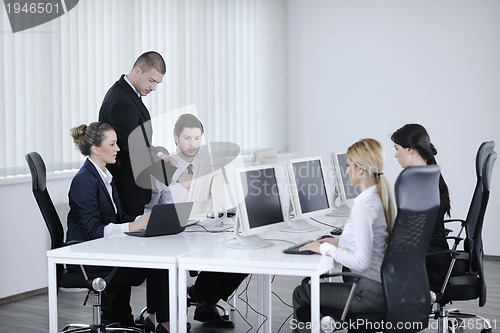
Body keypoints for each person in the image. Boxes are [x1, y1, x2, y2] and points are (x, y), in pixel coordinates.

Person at [145, 113, 248, 328]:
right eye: (187, 138)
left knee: (243, 255)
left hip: (200, 226)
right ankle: (201, 298)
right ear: (175, 138)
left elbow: (214, 199)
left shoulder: (206, 163)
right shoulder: (165, 164)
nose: (193, 144)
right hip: (171, 231)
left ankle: (205, 299)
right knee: (222, 252)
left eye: (197, 138)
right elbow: (156, 203)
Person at [67, 122, 171, 333]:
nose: (118, 149)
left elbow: (118, 217)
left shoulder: (105, 176)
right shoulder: (84, 181)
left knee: (162, 257)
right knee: (159, 263)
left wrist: (144, 219)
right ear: (96, 148)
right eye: (112, 144)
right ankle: (165, 323)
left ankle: (159, 320)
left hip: (103, 249)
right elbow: (92, 232)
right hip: (87, 257)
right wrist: (132, 225)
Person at [292, 138, 395, 332]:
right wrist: (337, 241)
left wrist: (325, 248)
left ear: (362, 170)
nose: (346, 171)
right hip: (383, 287)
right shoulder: (378, 196)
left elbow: (361, 262)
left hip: (369, 294)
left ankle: (325, 325)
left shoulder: (363, 207)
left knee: (302, 292)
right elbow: (371, 242)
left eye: (349, 166)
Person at [99, 51, 186, 217]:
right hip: (127, 187)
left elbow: (140, 142)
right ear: (138, 71)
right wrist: (179, 176)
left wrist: (159, 154)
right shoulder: (121, 102)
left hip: (134, 183)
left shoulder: (128, 95)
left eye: (157, 83)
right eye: (151, 81)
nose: (153, 88)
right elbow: (136, 151)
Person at [391, 123, 452, 289]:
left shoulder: (417, 182)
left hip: (426, 265)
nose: (396, 155)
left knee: (358, 267)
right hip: (433, 258)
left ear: (410, 149)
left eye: (397, 148)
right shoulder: (430, 175)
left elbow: (406, 237)